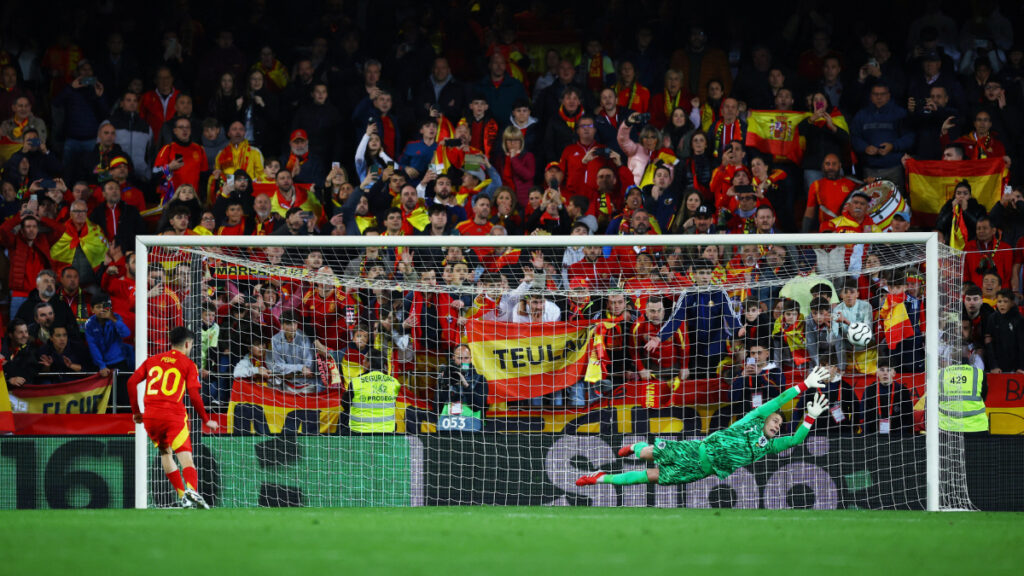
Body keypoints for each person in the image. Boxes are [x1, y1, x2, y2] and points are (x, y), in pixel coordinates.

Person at [576, 367, 832, 487]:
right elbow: (779, 400)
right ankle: (635, 446)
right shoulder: (752, 420)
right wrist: (804, 385)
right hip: (694, 449)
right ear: (765, 419)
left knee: (649, 477)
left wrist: (810, 417)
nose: (777, 425)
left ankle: (600, 477)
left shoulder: (769, 446)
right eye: (775, 420)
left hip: (700, 471)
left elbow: (796, 440)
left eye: (780, 424)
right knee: (645, 453)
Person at [126, 326, 219, 509]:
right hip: (173, 415)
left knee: (165, 453)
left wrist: (136, 412)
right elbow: (194, 395)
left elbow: (131, 382)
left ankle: (183, 496)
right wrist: (205, 419)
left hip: (151, 417)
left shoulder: (152, 360)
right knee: (186, 457)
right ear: (187, 344)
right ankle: (191, 490)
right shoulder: (188, 364)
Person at [347, 353, 402, 433]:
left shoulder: (356, 382)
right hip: (387, 431)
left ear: (369, 363)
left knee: (343, 415)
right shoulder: (394, 382)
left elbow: (345, 404)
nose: (362, 362)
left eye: (364, 359)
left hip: (359, 432)